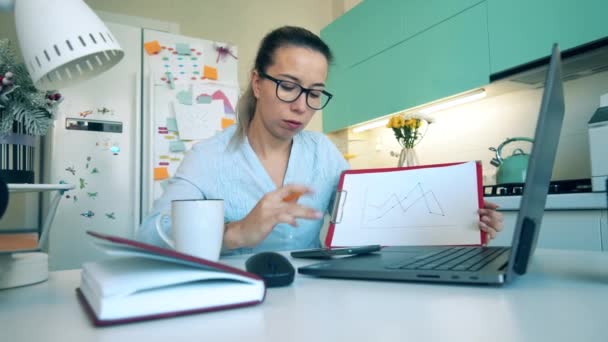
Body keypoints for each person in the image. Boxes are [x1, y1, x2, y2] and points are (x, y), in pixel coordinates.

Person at [137, 26, 503, 255]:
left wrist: (459, 219)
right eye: (288, 86)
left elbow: (370, 220)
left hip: (311, 297)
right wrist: (234, 233)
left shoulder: (323, 153)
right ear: (258, 82)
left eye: (314, 93)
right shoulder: (208, 157)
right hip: (231, 298)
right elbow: (149, 236)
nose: (301, 106)